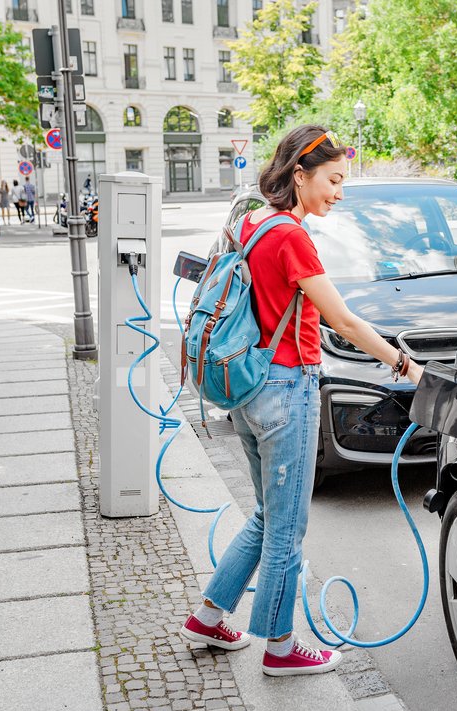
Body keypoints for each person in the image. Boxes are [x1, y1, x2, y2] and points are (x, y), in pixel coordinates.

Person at [178, 125, 424, 676]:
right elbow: (341, 319)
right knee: (287, 526)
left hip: (245, 384)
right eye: (333, 180)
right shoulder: (291, 235)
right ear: (300, 174)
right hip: (287, 389)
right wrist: (404, 364)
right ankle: (282, 648)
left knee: (268, 516)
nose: (339, 192)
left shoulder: (251, 222)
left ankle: (210, 617)